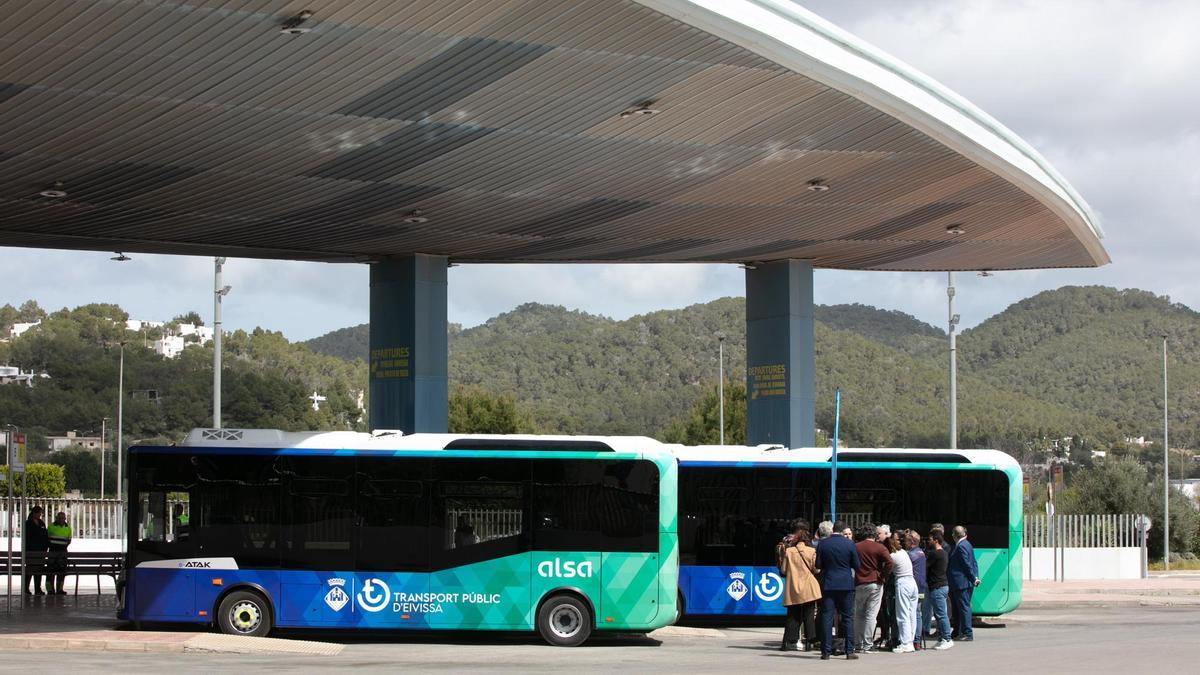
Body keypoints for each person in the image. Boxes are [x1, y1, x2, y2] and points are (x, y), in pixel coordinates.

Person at [815, 520, 860, 660]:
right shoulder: (849, 544)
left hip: (828, 583)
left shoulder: (823, 544)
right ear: (842, 531)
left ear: (833, 529)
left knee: (827, 617)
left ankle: (826, 652)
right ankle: (849, 650)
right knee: (847, 617)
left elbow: (818, 564)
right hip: (846, 584)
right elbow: (856, 564)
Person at [777, 520, 821, 652]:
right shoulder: (811, 551)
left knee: (793, 615)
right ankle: (809, 641)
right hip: (809, 587)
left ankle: (789, 641)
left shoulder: (789, 551)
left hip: (793, 587)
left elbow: (784, 570)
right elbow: (817, 570)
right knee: (808, 615)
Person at [852, 523, 892, 653]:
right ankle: (868, 644)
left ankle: (857, 643)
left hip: (859, 582)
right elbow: (889, 562)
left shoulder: (856, 547)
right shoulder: (879, 547)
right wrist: (883, 576)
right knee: (871, 615)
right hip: (875, 582)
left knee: (858, 614)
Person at [948, 525, 981, 642]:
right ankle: (957, 631)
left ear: (954, 535)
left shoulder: (961, 546)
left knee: (964, 607)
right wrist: (975, 577)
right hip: (964, 582)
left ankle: (967, 633)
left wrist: (973, 578)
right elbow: (974, 563)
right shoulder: (967, 544)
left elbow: (966, 564)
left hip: (961, 583)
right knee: (958, 608)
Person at [889, 533, 918, 653]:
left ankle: (905, 643)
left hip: (903, 583)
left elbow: (887, 568)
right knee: (912, 614)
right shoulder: (904, 552)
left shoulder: (893, 556)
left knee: (902, 614)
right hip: (912, 582)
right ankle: (910, 641)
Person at [925, 532, 954, 650]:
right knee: (940, 614)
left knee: (941, 615)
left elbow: (925, 566)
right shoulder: (944, 553)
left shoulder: (935, 554)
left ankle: (947, 638)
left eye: (930, 539)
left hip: (937, 586)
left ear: (936, 540)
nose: (928, 541)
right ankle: (942, 638)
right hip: (942, 585)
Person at [905, 530, 928, 650]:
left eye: (907, 540)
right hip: (921, 587)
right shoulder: (921, 553)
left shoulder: (911, 555)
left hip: (914, 587)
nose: (905, 542)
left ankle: (912, 639)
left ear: (912, 542)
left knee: (911, 613)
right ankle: (917, 640)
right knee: (918, 613)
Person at [23, 506, 48, 595]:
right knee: (29, 570)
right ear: (34, 513)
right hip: (31, 551)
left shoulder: (41, 523)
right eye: (39, 512)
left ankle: (38, 588)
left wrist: (45, 547)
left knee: (39, 570)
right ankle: (25, 588)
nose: (40, 514)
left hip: (41, 551)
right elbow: (27, 538)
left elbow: (45, 535)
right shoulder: (28, 523)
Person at [47, 511, 72, 595]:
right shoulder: (51, 527)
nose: (61, 519)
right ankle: (50, 590)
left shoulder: (68, 527)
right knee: (50, 571)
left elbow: (69, 540)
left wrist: (63, 547)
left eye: (63, 518)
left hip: (63, 552)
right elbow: (47, 539)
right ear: (56, 518)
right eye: (59, 518)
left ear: (65, 519)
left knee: (61, 571)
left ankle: (59, 589)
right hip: (53, 552)